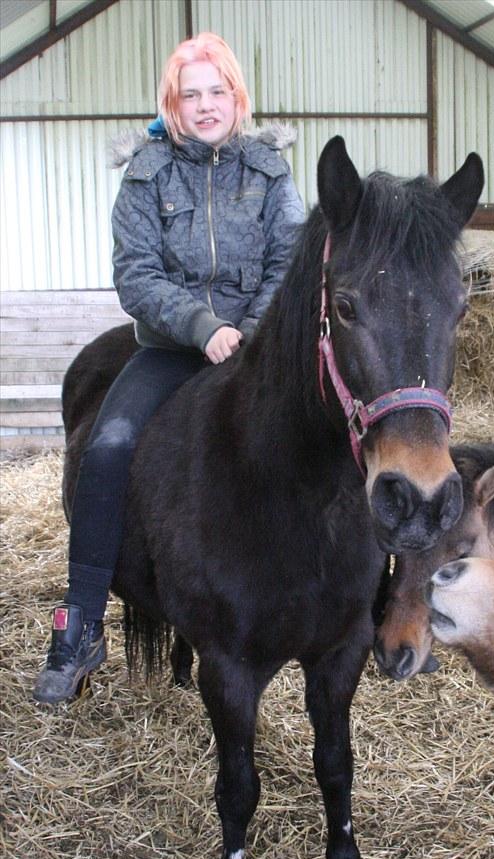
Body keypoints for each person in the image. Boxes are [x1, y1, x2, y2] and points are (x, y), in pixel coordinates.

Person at [33, 32, 304, 703]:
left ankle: (380, 604)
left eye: (217, 91)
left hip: (257, 348)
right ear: (173, 105)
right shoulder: (147, 174)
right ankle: (82, 620)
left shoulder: (269, 173)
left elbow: (288, 262)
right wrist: (203, 328)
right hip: (168, 349)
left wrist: (247, 331)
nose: (206, 105)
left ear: (236, 97)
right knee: (108, 447)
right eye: (192, 94)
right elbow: (136, 274)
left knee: (336, 437)